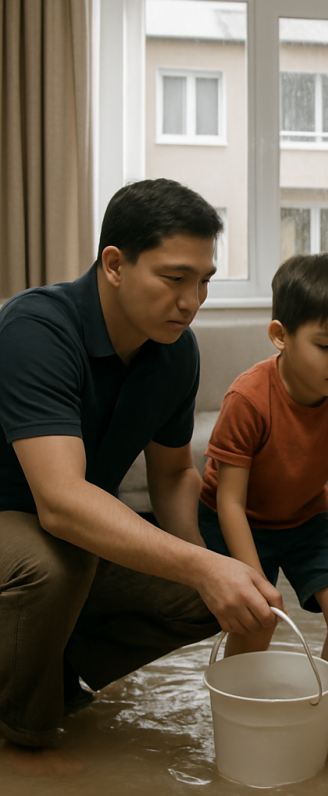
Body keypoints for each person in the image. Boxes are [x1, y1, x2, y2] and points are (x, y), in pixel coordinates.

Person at [0, 179, 284, 773]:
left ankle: (49, 661)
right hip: (20, 524)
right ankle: (21, 731)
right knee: (57, 562)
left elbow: (175, 473)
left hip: (63, 531)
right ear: (114, 265)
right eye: (175, 278)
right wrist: (205, 566)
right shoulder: (37, 329)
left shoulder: (175, 350)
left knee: (214, 598)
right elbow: (59, 502)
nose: (192, 300)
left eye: (204, 281)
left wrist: (217, 571)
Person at [197, 252, 328, 749]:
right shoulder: (249, 399)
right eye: (326, 345)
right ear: (280, 335)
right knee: (255, 622)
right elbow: (230, 503)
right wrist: (253, 582)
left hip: (304, 519)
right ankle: (235, 719)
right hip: (234, 519)